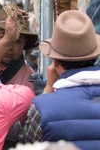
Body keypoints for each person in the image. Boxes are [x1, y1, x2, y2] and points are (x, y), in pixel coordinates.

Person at [21, 10, 100, 147]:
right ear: (96, 56)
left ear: (55, 61)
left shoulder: (42, 107)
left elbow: (29, 145)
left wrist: (48, 90)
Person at [0, 5, 38, 90]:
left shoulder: (30, 83)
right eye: (4, 37)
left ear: (24, 43)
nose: (9, 46)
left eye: (17, 41)